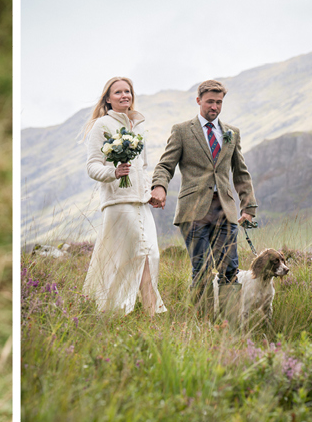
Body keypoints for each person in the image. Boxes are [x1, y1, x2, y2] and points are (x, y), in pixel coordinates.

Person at [149, 79, 257, 317]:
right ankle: (202, 323)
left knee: (230, 269)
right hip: (193, 211)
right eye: (210, 102)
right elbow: (165, 165)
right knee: (202, 269)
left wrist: (248, 206)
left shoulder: (232, 133)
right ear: (198, 101)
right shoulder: (181, 131)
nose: (214, 107)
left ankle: (230, 323)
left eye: (219, 102)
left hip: (225, 212)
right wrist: (159, 186)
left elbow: (240, 172)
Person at [82, 77, 166, 316]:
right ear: (108, 98)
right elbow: (92, 166)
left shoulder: (137, 126)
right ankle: (134, 311)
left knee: (151, 254)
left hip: (140, 203)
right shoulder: (102, 126)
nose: (124, 95)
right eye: (118, 92)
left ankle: (129, 310)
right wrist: (114, 172)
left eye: (127, 91)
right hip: (118, 203)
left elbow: (144, 166)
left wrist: (149, 193)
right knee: (135, 256)